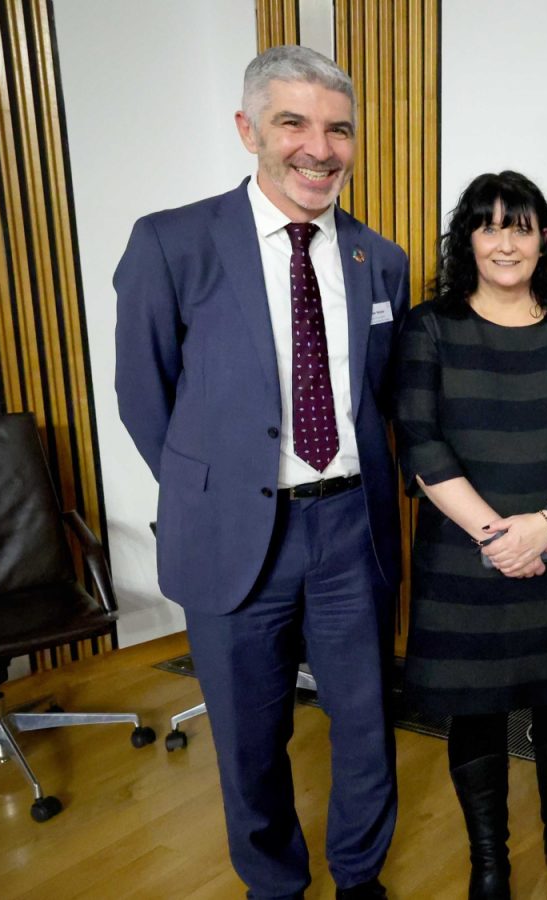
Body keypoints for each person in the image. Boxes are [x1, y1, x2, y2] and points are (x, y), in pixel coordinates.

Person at [114, 46, 405, 899]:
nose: (320, 148)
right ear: (248, 130)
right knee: (247, 736)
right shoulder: (173, 243)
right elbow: (145, 395)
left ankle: (360, 880)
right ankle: (274, 886)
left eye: (339, 129)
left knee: (364, 724)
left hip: (351, 528)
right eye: (294, 123)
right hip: (238, 534)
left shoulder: (376, 259)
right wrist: (217, 490)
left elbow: (377, 396)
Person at [395, 171, 547, 900]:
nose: (504, 241)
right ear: (468, 240)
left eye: (519, 226)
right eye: (489, 225)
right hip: (470, 557)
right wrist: (502, 538)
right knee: (478, 705)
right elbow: (421, 444)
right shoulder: (430, 327)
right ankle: (488, 861)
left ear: (544, 239)